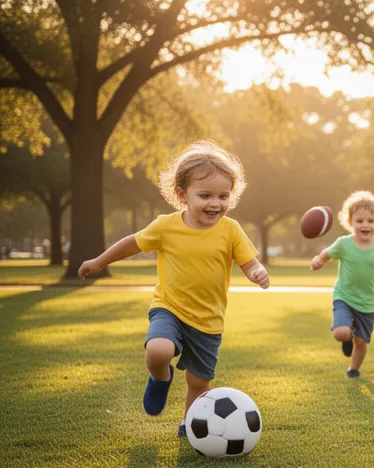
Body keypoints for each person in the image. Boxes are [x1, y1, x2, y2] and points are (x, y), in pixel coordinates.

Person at [78, 141, 270, 436]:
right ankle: (160, 378)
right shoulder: (166, 226)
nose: (215, 203)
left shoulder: (231, 230)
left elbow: (249, 262)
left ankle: (191, 424)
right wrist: (99, 262)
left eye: (223, 196)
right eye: (205, 195)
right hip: (169, 307)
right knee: (158, 351)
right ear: (182, 195)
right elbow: (132, 244)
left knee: (198, 381)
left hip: (208, 320)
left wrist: (257, 272)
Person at [310, 191, 374, 379]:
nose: (365, 225)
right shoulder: (343, 244)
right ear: (350, 222)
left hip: (368, 303)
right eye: (359, 221)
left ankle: (353, 370)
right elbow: (325, 254)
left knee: (361, 342)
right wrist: (317, 261)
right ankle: (347, 336)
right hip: (344, 297)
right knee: (340, 333)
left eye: (370, 221)